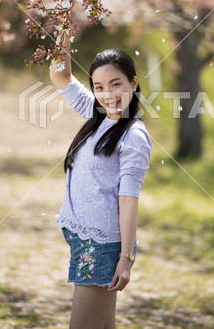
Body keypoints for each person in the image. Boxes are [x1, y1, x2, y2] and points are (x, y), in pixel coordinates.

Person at [50, 33, 152, 329]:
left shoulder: (134, 135)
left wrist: (125, 257)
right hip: (84, 240)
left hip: (102, 247)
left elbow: (129, 199)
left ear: (133, 83)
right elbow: (61, 76)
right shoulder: (98, 114)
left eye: (116, 84)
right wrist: (63, 31)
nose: (108, 94)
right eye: (99, 87)